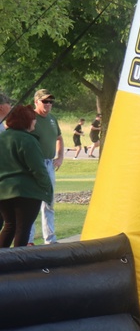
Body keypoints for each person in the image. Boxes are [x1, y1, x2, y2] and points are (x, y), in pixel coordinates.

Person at [0, 106, 53, 247]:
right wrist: (48, 189)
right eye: (33, 120)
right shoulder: (28, 140)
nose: (35, 123)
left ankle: (3, 262)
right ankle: (19, 264)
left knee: (9, 226)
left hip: (3, 191)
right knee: (22, 229)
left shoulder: (2, 137)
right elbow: (38, 169)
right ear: (26, 121)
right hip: (26, 192)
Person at [29, 89, 63, 245]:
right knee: (31, 202)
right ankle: (28, 240)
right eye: (45, 101)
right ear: (36, 101)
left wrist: (60, 157)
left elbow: (59, 138)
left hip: (49, 163)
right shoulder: (30, 118)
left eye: (51, 102)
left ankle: (50, 240)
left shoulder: (52, 119)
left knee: (48, 203)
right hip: (34, 163)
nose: (48, 104)